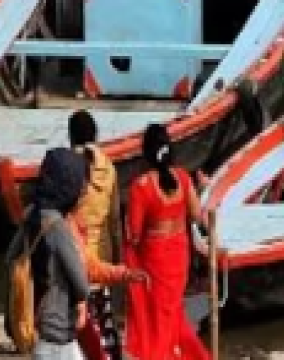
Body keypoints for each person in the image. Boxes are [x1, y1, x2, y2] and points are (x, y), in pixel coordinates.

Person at [124, 124, 210, 360]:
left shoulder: (140, 187)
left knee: (157, 314)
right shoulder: (183, 177)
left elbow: (133, 234)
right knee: (171, 311)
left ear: (146, 153)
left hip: (155, 257)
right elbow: (195, 215)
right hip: (178, 255)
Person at [6, 147, 92, 360]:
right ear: (68, 185)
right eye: (81, 183)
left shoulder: (31, 215)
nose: (84, 190)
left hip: (37, 330)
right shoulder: (57, 227)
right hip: (59, 337)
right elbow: (81, 285)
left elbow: (10, 259)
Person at [70, 110, 120, 265]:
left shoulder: (65, 166)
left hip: (73, 256)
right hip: (102, 256)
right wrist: (117, 258)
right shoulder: (108, 167)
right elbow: (115, 220)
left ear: (71, 136)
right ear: (95, 135)